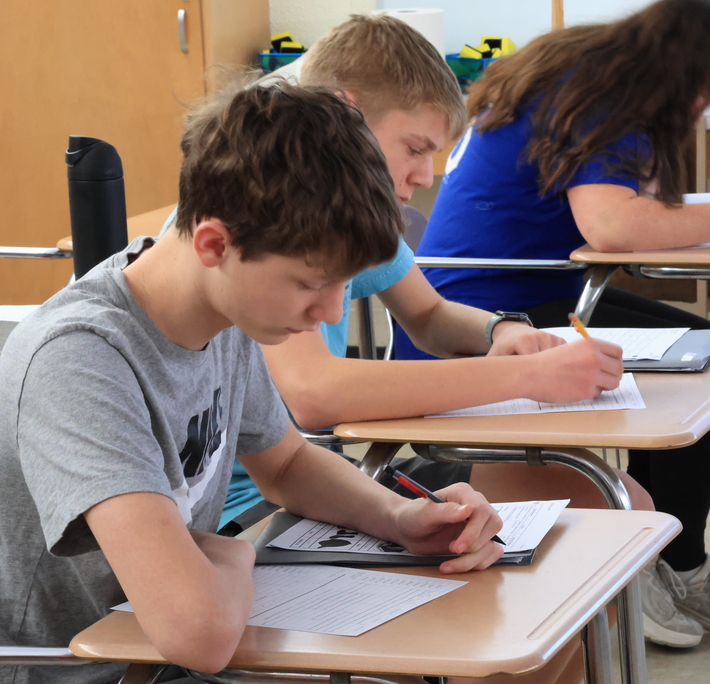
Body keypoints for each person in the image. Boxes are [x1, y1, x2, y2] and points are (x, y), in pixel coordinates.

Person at [160, 17, 703, 649]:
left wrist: (503, 332)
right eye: (415, 148)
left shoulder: (350, 213)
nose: (424, 176)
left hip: (310, 479)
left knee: (607, 522)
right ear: (346, 113)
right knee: (557, 574)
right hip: (253, 511)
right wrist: (521, 375)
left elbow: (429, 315)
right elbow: (315, 393)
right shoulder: (266, 220)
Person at [0, 82, 509, 684]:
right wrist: (233, 553)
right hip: (94, 668)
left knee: (493, 649)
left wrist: (399, 520)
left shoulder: (227, 312)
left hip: (178, 641)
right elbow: (198, 634)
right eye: (310, 283)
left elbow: (287, 464)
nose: (329, 312)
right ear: (216, 243)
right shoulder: (81, 359)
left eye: (344, 284)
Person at [400, 0, 710, 646]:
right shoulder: (605, 103)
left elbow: (619, 216)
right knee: (690, 374)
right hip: (491, 313)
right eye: (699, 96)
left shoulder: (584, 75)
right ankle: (667, 568)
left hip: (516, 290)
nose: (698, 114)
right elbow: (611, 227)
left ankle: (671, 563)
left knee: (702, 354)